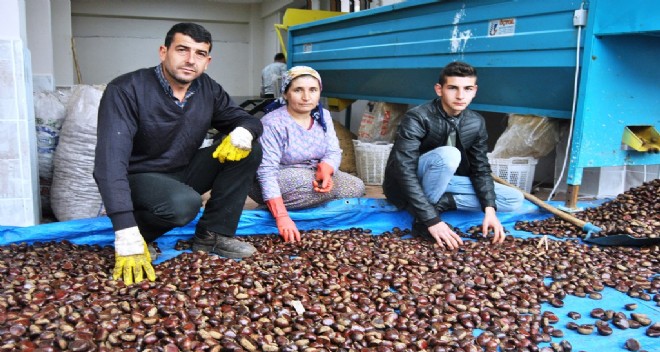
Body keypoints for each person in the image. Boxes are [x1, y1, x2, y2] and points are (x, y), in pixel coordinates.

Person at [94, 22, 263, 285]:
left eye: (199, 54)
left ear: (207, 61)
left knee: (248, 148)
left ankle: (213, 235)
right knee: (184, 203)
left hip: (182, 171)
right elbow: (109, 165)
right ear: (164, 52)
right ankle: (139, 234)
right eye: (182, 49)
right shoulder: (126, 90)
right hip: (138, 177)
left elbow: (245, 119)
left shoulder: (207, 88)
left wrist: (244, 131)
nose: (190, 60)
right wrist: (124, 230)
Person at [383, 61, 523, 249]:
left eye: (467, 89)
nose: (460, 95)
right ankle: (424, 220)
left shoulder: (476, 122)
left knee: (513, 199)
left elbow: (480, 169)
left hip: (445, 179)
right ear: (439, 89)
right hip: (407, 181)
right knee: (448, 155)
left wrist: (489, 211)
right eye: (453, 88)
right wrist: (432, 220)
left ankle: (443, 202)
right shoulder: (418, 117)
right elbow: (404, 169)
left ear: (475, 91)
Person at [250, 66, 365, 242]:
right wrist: (281, 217)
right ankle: (273, 206)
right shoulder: (273, 123)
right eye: (298, 90)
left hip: (311, 175)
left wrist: (327, 169)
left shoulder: (323, 116)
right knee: (311, 186)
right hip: (275, 178)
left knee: (356, 186)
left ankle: (279, 206)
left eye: (313, 90)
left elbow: (333, 151)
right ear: (286, 93)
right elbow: (266, 171)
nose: (306, 97)